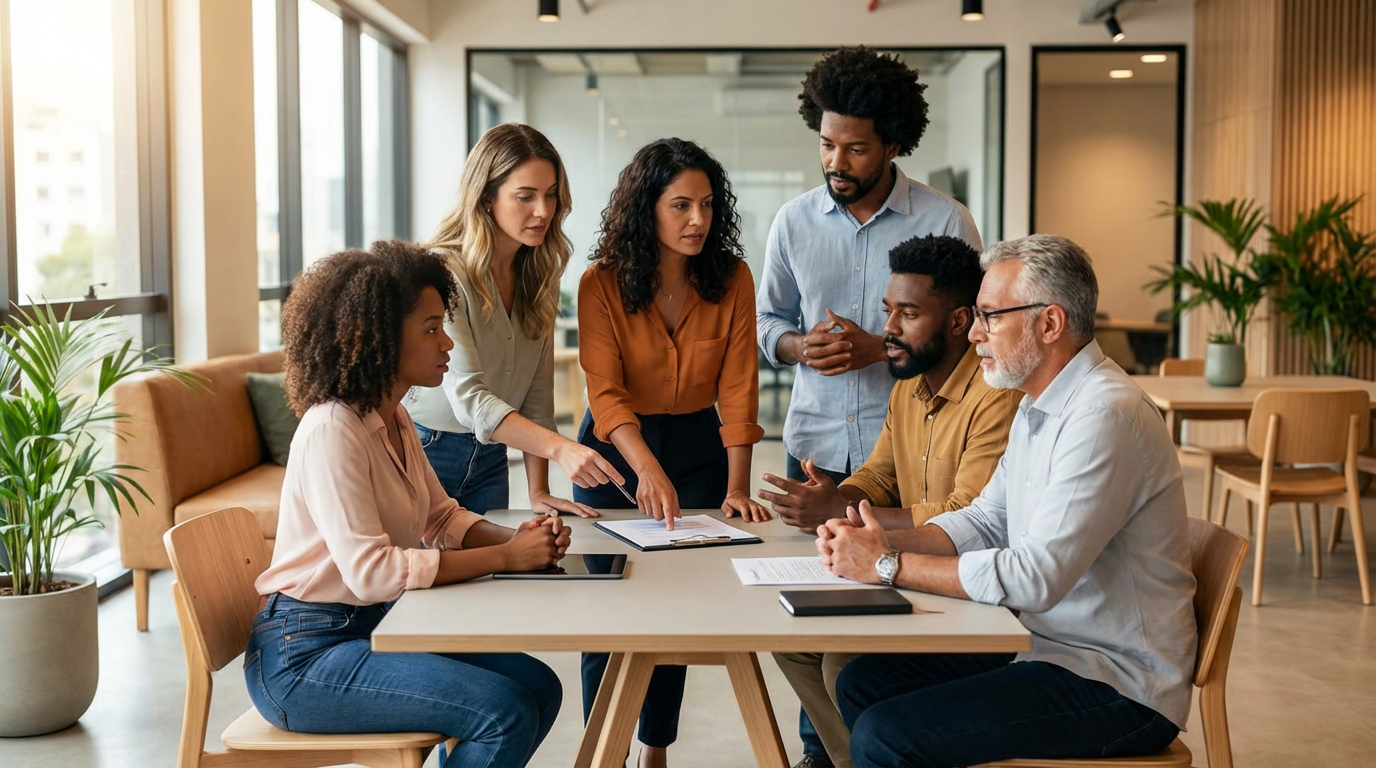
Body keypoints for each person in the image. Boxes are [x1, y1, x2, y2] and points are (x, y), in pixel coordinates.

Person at [822, 235, 1197, 768]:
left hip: (1117, 680)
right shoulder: (1037, 402)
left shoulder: (1104, 417)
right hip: (1044, 645)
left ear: (1049, 323)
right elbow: (986, 518)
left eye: (989, 316)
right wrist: (875, 543)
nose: (974, 333)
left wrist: (888, 564)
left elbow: (1034, 578)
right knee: (863, 680)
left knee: (886, 735)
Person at [245, 242, 569, 768]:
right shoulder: (333, 429)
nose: (446, 342)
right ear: (379, 337)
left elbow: (441, 517)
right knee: (503, 711)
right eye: (430, 328)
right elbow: (372, 573)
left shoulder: (394, 418)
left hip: (373, 626)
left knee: (537, 686)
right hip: (304, 655)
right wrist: (506, 559)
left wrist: (520, 541)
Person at [754, 46, 982, 767]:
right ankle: (826, 754)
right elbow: (767, 327)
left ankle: (889, 743)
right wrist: (798, 348)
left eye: (855, 147)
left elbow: (968, 337)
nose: (837, 160)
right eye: (827, 143)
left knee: (894, 625)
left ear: (892, 144)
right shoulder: (793, 222)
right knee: (809, 624)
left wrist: (873, 353)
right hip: (819, 444)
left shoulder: (947, 221)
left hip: (920, 452)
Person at [760, 234, 1021, 767]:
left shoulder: (996, 394)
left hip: (967, 586)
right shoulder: (910, 382)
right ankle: (853, 759)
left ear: (957, 321)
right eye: (887, 311)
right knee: (792, 639)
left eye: (907, 313)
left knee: (843, 663)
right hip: (907, 566)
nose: (889, 330)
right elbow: (880, 472)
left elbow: (969, 512)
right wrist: (838, 497)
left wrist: (847, 515)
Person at [575, 137, 770, 768]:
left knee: (676, 608)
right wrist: (647, 469)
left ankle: (655, 749)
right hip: (615, 448)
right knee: (607, 609)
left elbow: (740, 386)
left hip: (697, 444)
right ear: (646, 210)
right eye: (681, 205)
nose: (697, 221)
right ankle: (603, 748)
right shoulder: (600, 282)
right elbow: (604, 392)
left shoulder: (733, 277)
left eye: (708, 205)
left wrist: (737, 487)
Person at [408, 122, 623, 516]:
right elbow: (470, 400)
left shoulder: (540, 273)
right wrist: (560, 449)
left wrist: (539, 491)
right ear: (487, 197)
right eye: (525, 197)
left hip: (491, 457)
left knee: (493, 575)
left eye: (551, 196)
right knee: (430, 576)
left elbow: (536, 396)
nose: (543, 211)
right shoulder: (444, 272)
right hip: (427, 450)